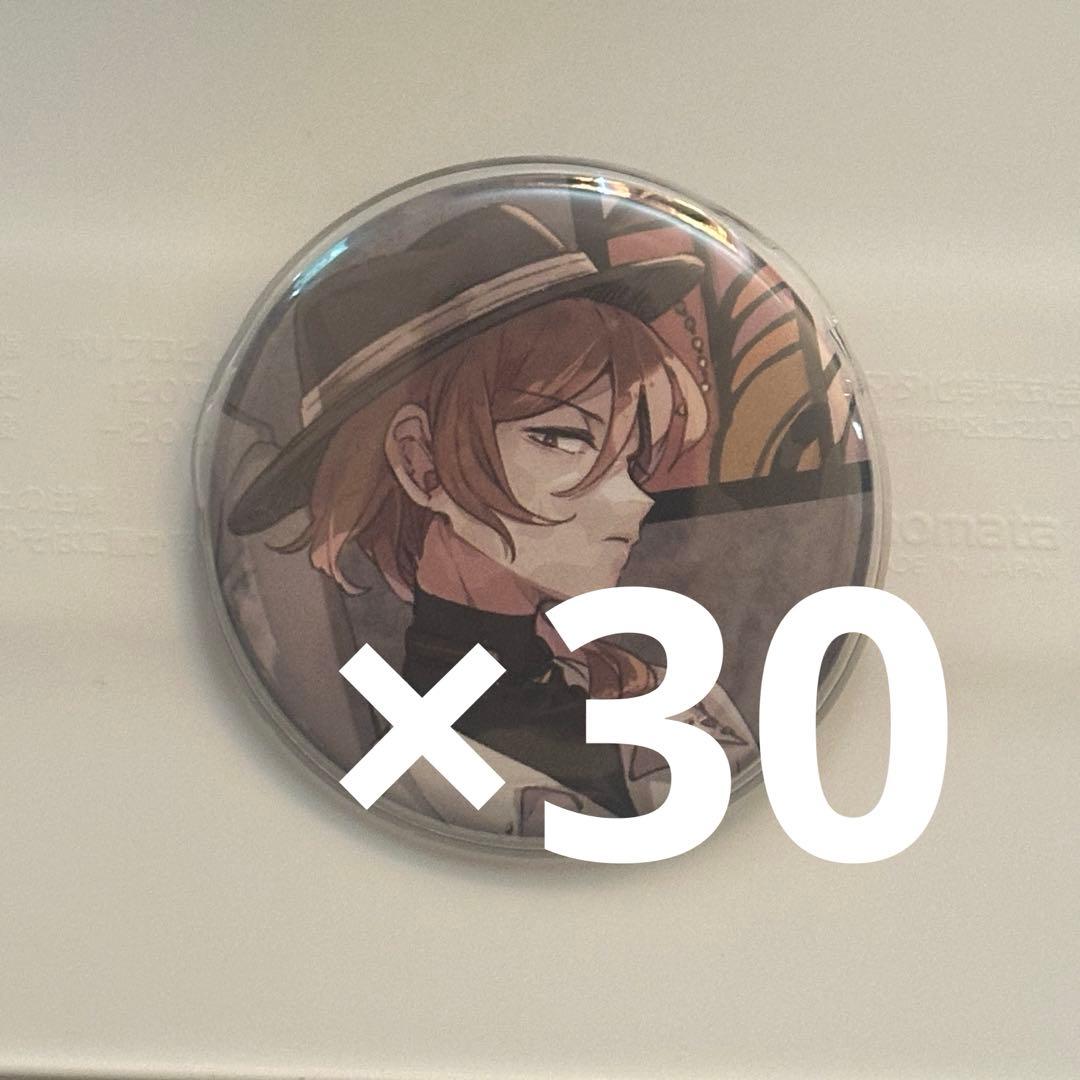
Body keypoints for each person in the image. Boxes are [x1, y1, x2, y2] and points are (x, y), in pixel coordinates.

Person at [228, 203, 757, 839]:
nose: (634, 500)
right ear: (421, 463)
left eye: (629, 457)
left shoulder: (648, 687)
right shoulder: (409, 758)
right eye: (561, 438)